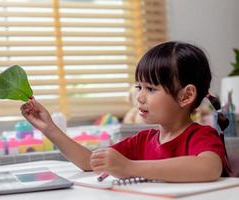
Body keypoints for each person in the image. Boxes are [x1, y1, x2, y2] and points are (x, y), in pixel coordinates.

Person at [21, 41, 230, 182]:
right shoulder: (142, 141)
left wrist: (130, 167)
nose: (139, 96)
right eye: (139, 87)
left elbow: (208, 168)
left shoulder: (201, 136)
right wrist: (50, 128)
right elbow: (89, 162)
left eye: (151, 89)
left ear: (186, 96)